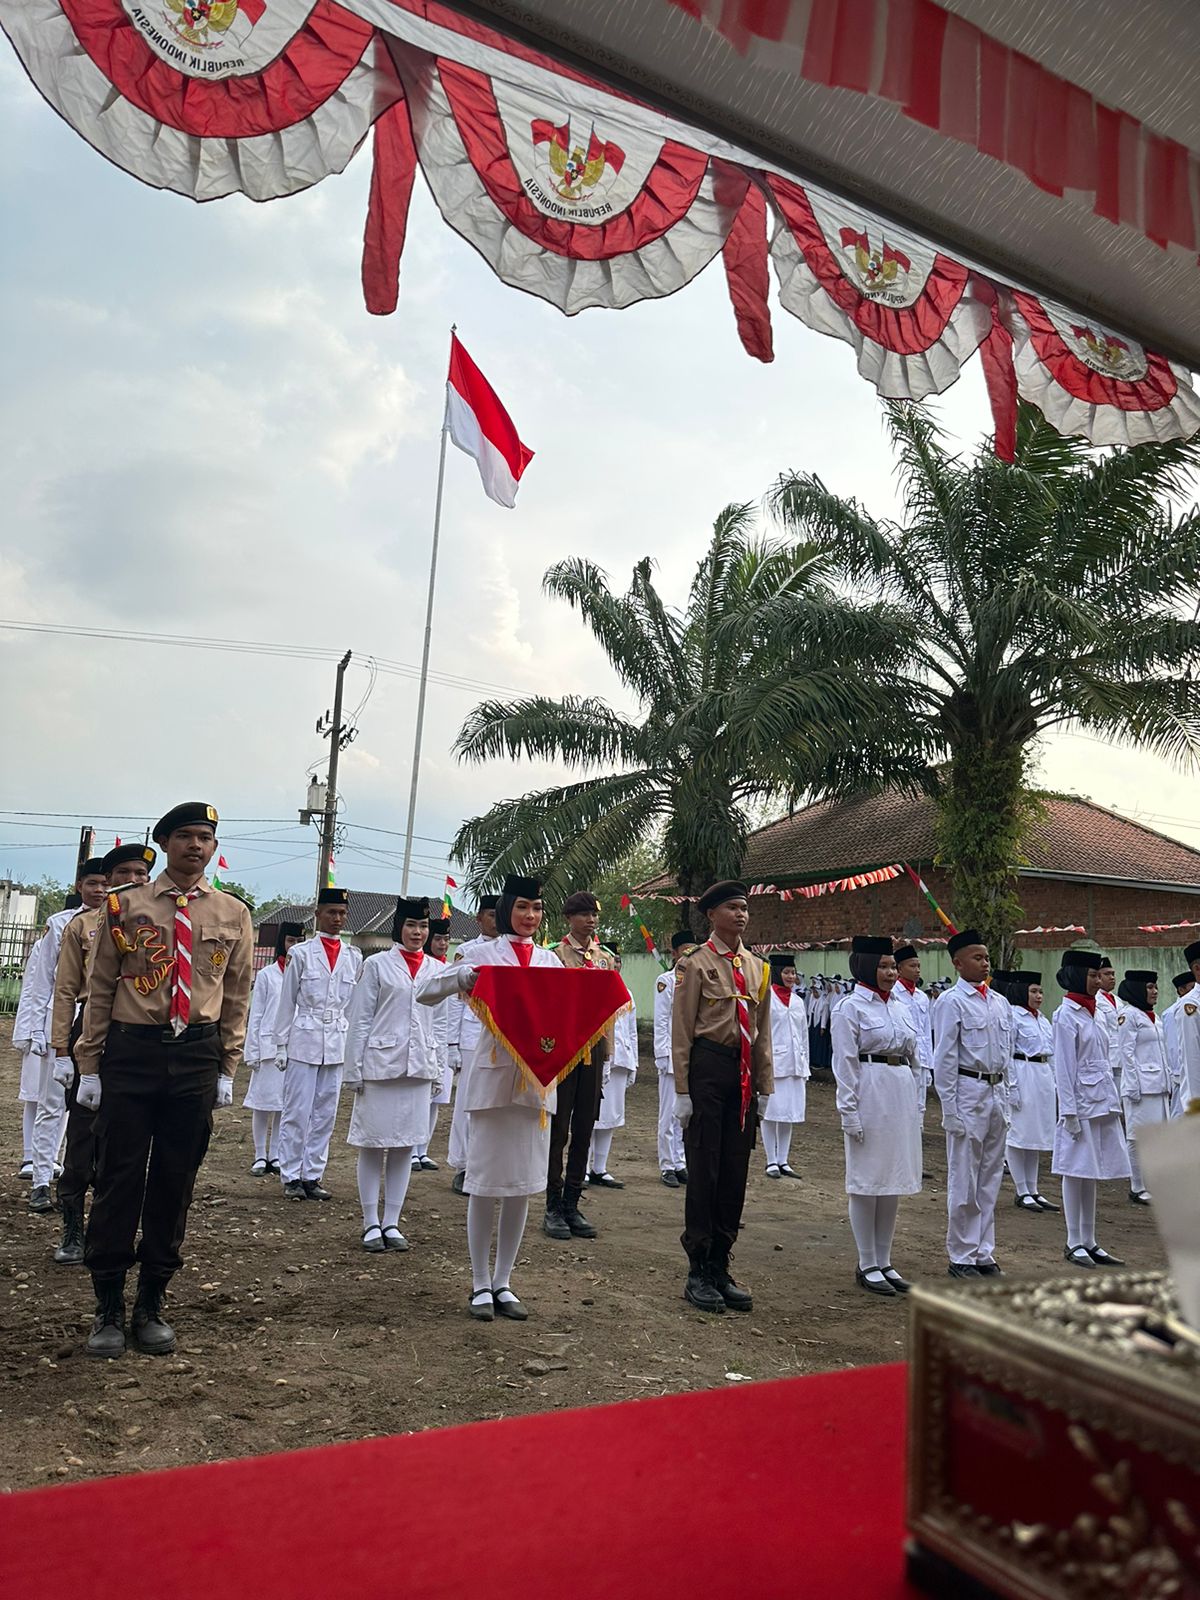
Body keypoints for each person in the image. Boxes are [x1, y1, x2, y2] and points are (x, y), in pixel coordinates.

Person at [76, 803, 252, 1358]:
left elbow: (238, 993)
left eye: (205, 837)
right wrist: (88, 1065)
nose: (195, 846)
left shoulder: (233, 913)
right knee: (118, 1177)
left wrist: (227, 1064)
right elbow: (100, 986)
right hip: (131, 1054)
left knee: (175, 1180)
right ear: (165, 843)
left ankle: (151, 1302)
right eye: (184, 836)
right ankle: (108, 1306)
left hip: (194, 1056)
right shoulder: (123, 906)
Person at [417, 874, 564, 1321]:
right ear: (505, 910)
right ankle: (479, 1282)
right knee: (483, 1183)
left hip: (535, 1082)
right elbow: (424, 992)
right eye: (522, 907)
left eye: (537, 909)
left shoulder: (550, 961)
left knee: (521, 1185)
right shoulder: (478, 953)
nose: (530, 917)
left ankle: (504, 1281)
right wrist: (460, 976)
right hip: (492, 1075)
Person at [49, 844, 157, 1265]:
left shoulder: (158, 922)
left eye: (142, 873)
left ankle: (112, 1229)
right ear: (108, 879)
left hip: (137, 1036)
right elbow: (64, 991)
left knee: (128, 1141)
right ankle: (73, 1226)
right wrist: (62, 1050)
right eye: (126, 871)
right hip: (90, 1034)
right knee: (82, 1137)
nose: (135, 879)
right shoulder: (83, 926)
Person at [672, 882, 772, 1314]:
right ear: (711, 914)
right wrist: (682, 1090)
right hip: (708, 1069)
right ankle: (698, 1267)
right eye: (732, 908)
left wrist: (764, 1088)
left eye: (745, 908)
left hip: (743, 1074)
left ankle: (721, 1262)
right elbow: (681, 1030)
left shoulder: (757, 967)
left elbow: (762, 1032)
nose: (741, 915)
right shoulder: (695, 965)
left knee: (735, 1169)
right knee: (705, 1167)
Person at [344, 897, 440, 1253]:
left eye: (424, 927)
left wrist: (439, 1070)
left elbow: (440, 1024)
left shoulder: (435, 969)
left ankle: (392, 1222)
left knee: (403, 1147)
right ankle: (370, 1222)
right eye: (412, 926)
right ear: (398, 927)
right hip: (380, 1067)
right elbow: (360, 1019)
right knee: (372, 1144)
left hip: (418, 1068)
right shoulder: (378, 966)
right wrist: (354, 1069)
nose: (418, 933)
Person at [830, 936, 921, 1296]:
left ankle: (885, 1260)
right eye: (883, 966)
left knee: (892, 1180)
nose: (890, 973)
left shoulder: (901, 1005)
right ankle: (866, 1261)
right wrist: (848, 1111)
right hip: (870, 1093)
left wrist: (915, 1098)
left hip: (899, 1092)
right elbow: (845, 1064)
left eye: (893, 966)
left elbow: (915, 1055)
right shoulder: (849, 1008)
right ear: (865, 966)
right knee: (868, 1181)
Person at [22, 859, 110, 1213]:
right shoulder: (61, 925)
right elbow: (43, 982)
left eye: (106, 883)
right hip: (67, 1022)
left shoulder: (124, 922)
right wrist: (37, 1031)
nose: (100, 890)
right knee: (53, 1104)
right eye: (93, 883)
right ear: (79, 886)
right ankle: (41, 1180)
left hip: (106, 1025)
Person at [931, 929, 1012, 1279]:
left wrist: (1009, 1098)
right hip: (967, 1091)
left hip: (996, 1093)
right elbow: (944, 1058)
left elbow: (1007, 1056)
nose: (984, 963)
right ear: (958, 963)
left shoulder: (999, 1002)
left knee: (990, 1177)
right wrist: (949, 1109)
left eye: (986, 957)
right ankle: (961, 1254)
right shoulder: (951, 1002)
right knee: (964, 1177)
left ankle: (983, 1251)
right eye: (977, 958)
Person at [273, 887, 361, 1201]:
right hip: (304, 1036)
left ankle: (313, 1174)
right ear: (318, 915)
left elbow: (351, 1008)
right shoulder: (301, 953)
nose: (337, 919)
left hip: (336, 1039)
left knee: (326, 1112)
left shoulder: (353, 955)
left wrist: (352, 1047)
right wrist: (280, 1043)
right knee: (297, 1110)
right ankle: (291, 1175)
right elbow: (287, 1002)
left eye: (341, 913)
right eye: (331, 913)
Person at [1052, 949, 1130, 1269]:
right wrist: (1068, 1111)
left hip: (1100, 1101)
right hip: (1080, 1105)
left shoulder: (1094, 1011)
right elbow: (1065, 1067)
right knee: (1076, 1170)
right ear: (1075, 976)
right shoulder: (1066, 1014)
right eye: (1093, 975)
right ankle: (1073, 1241)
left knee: (1092, 1172)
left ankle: (1090, 1239)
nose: (1099, 981)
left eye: (1100, 975)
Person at [545, 891, 613, 1241]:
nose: (591, 921)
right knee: (559, 1129)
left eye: (594, 915)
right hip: (565, 1049)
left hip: (595, 1049)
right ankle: (553, 1204)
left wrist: (610, 1051)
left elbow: (611, 1009)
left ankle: (573, 1200)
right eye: (584, 914)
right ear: (569, 918)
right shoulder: (555, 956)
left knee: (586, 1125)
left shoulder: (605, 959)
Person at [445, 896, 500, 1195]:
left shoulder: (510, 952)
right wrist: (452, 1043)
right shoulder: (467, 952)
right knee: (467, 1102)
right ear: (479, 918)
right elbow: (456, 1003)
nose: (496, 920)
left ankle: (487, 1163)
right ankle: (462, 1165)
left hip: (502, 1037)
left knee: (494, 1103)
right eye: (491, 914)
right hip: (471, 1036)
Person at [242, 922, 304, 1176]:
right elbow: (256, 1015)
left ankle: (276, 1154)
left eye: (300, 941)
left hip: (295, 1048)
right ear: (282, 942)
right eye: (291, 941)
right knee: (263, 1103)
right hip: (268, 1047)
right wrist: (253, 1051)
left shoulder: (305, 974)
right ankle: (259, 1154)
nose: (295, 947)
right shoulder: (268, 975)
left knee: (283, 1105)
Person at [1000, 970, 1058, 1213]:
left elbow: (1051, 1051)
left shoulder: (1042, 1020)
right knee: (1019, 1135)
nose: (1038, 996)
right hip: (1022, 1073)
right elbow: (1007, 1052)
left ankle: (1033, 1189)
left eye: (1040, 991)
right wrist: (1011, 1085)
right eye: (1033, 991)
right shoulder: (1014, 1016)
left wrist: (1055, 1082)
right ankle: (1021, 1189)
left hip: (1042, 1075)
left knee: (1036, 1136)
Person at [1116, 969, 1171, 1207]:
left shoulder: (1154, 1017)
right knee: (1137, 1137)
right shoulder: (1129, 1015)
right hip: (1140, 1086)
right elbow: (1126, 1052)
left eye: (1155, 987)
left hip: (1158, 1085)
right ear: (1137, 989)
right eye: (1149, 987)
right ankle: (1137, 1187)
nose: (1155, 991)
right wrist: (1132, 1085)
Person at [588, 947, 637, 1188]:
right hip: (600, 1058)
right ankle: (584, 1168)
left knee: (611, 1117)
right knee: (591, 1116)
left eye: (617, 961)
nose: (614, 965)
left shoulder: (627, 992)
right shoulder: (597, 989)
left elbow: (632, 1031)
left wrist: (634, 1063)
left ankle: (600, 1167)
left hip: (621, 1060)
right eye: (610, 961)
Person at [761, 952, 809, 1179]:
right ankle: (770, 1159)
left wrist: (805, 1064)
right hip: (774, 1063)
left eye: (793, 973)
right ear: (777, 973)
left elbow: (804, 1035)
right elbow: (761, 1033)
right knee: (771, 1113)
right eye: (787, 972)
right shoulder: (767, 998)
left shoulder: (799, 1001)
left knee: (789, 1112)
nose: (791, 977)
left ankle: (784, 1160)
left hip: (795, 1064)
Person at [412, 917, 453, 1171]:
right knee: (419, 1099)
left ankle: (423, 1149)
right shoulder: (425, 969)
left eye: (446, 940)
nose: (442, 944)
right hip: (420, 1039)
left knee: (436, 1099)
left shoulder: (449, 969)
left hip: (441, 1042)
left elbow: (448, 1015)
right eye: (438, 939)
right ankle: (412, 1149)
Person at [653, 932, 693, 1187]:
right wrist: (662, 1056)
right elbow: (661, 1021)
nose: (690, 955)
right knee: (668, 1113)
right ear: (675, 954)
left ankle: (680, 1162)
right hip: (671, 1056)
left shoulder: (697, 980)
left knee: (684, 1114)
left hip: (692, 1056)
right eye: (686, 951)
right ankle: (667, 1164)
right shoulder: (666, 981)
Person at [890, 945, 932, 1125]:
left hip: (921, 1057)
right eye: (912, 966)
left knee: (920, 1101)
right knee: (902, 1100)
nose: (917, 970)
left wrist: (929, 1064)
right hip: (904, 1057)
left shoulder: (922, 997)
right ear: (900, 968)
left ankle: (918, 1131)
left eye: (918, 966)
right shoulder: (893, 994)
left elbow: (926, 1032)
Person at [1162, 970, 1195, 1116]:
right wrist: (1177, 1074)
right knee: (1179, 1113)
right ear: (1181, 990)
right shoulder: (1171, 1012)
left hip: (1191, 1071)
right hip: (1180, 1073)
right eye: (1191, 987)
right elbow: (1173, 1044)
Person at [1095, 955, 1120, 1090]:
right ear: (1098, 977)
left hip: (1120, 1056)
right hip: (1108, 1055)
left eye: (1113, 974)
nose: (1112, 977)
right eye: (1107, 974)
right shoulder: (1096, 1000)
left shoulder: (1118, 1000)